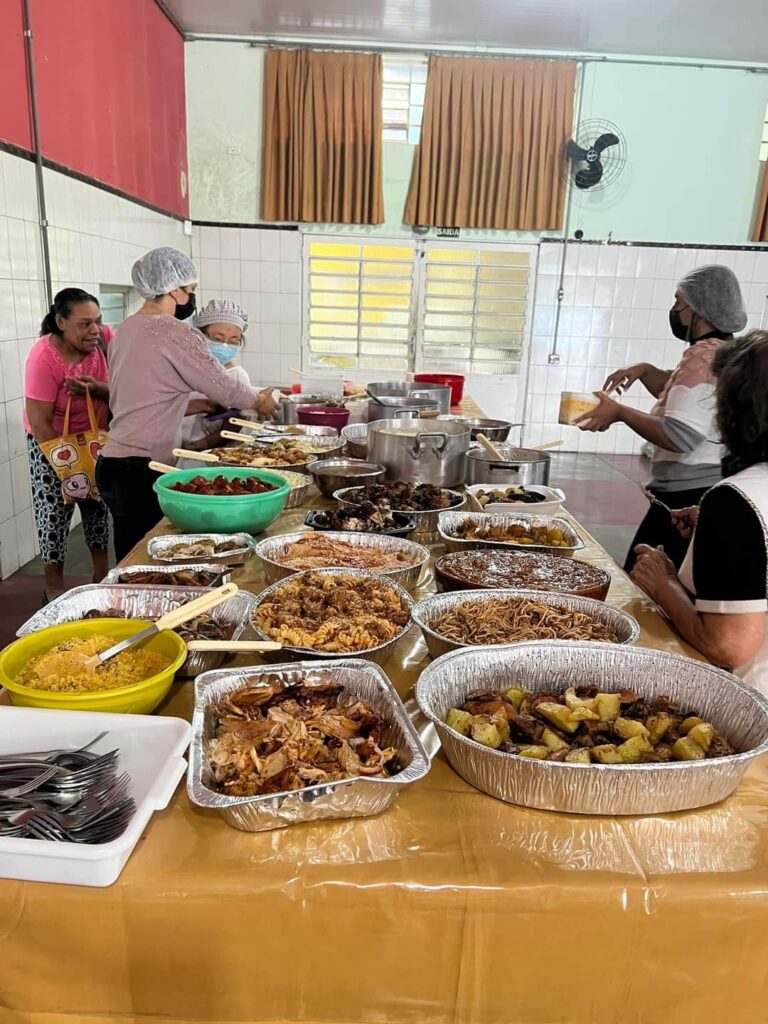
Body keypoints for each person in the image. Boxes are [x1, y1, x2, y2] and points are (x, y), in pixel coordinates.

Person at [96, 247, 277, 561]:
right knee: (148, 560)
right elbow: (225, 387)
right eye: (190, 290)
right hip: (142, 466)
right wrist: (258, 401)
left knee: (131, 555)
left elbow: (145, 396)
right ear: (173, 289)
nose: (191, 298)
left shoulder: (124, 329)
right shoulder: (173, 331)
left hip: (113, 463)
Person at [576, 264, 747, 571]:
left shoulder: (703, 356)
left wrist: (620, 412)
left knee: (647, 588)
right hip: (700, 492)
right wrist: (644, 369)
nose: (674, 310)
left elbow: (680, 434)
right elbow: (685, 399)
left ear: (699, 309)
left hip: (686, 502)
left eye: (679, 302)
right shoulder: (723, 351)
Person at [631, 331, 768, 694]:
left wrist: (665, 584)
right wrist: (717, 540)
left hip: (752, 709)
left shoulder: (738, 501)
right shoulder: (734, 510)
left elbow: (729, 645)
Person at [24, 288, 111, 601]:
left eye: (97, 322)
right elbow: (38, 421)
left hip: (94, 439)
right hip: (51, 444)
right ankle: (54, 587)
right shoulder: (43, 358)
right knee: (54, 514)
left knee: (96, 506)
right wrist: (66, 467)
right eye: (84, 324)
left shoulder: (103, 340)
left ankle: (102, 577)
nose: (94, 330)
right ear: (61, 321)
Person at [182, 299, 253, 452]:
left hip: (208, 455)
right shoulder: (182, 369)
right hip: (165, 448)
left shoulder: (237, 377)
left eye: (234, 340)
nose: (225, 346)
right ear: (199, 335)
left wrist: (199, 445)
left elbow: (234, 424)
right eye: (217, 339)